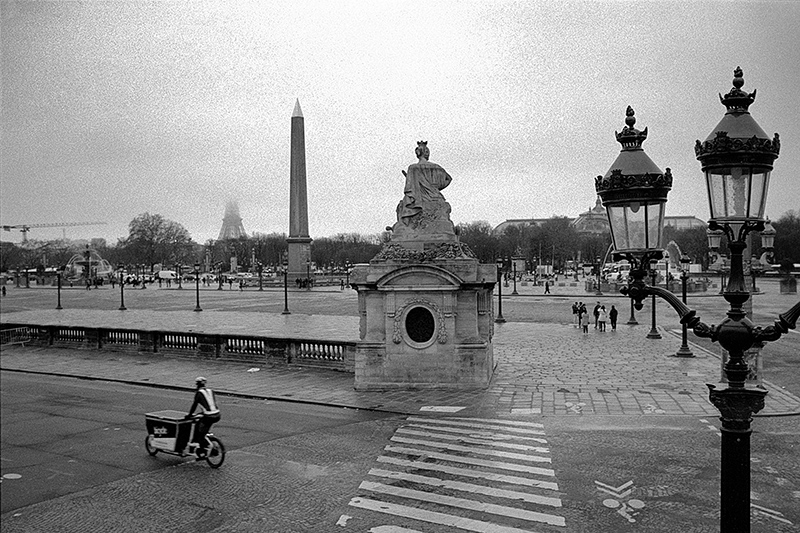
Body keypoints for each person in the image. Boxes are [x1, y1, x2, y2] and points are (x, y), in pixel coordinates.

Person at [186, 377, 221, 459]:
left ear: (197, 385)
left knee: (200, 434)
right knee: (202, 426)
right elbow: (209, 405)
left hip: (208, 416)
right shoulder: (211, 391)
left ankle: (204, 449)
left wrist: (189, 415)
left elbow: (194, 405)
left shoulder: (198, 393)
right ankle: (202, 443)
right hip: (217, 414)